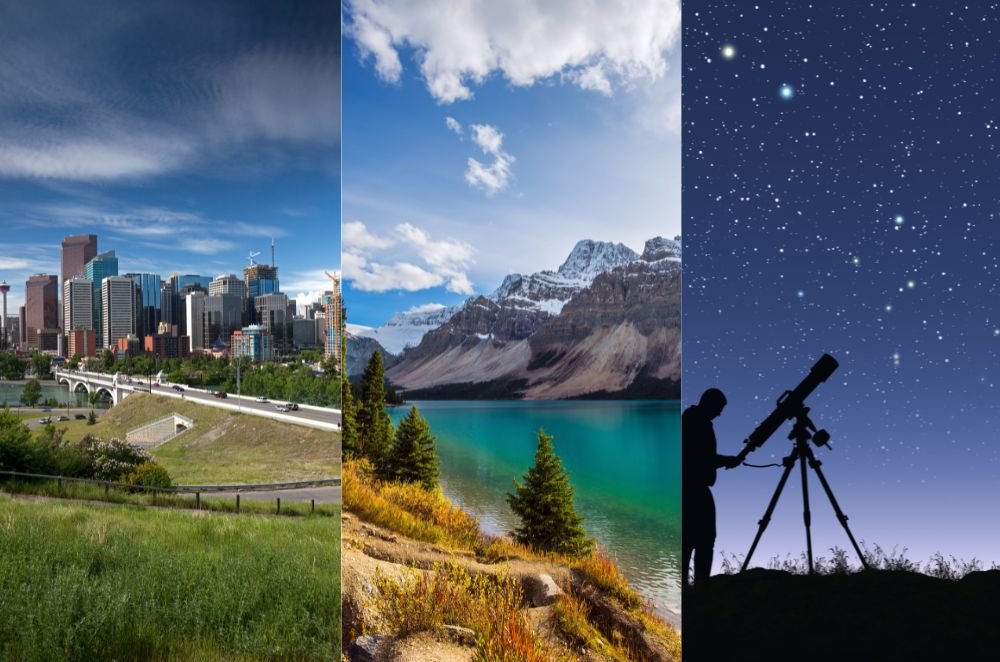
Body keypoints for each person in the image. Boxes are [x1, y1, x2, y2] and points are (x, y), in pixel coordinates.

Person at [683, 387, 741, 585]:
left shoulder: (693, 419)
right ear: (709, 403)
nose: (720, 413)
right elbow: (700, 458)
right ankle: (701, 587)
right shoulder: (696, 422)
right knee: (702, 540)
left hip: (694, 488)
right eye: (719, 408)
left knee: (697, 539)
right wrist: (726, 460)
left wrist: (724, 460)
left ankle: (696, 586)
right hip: (694, 489)